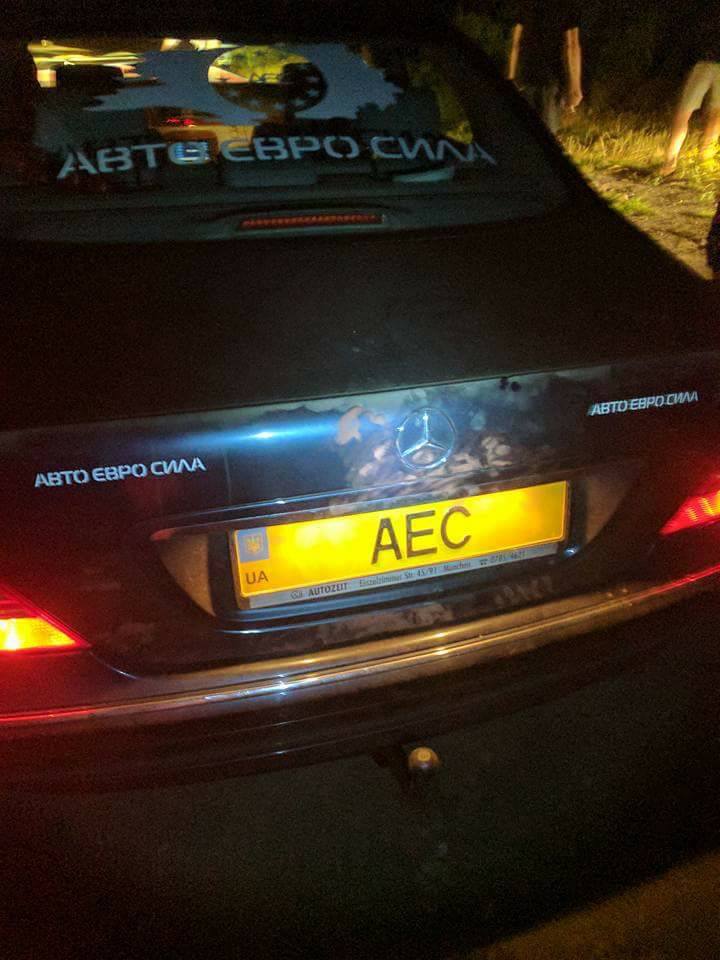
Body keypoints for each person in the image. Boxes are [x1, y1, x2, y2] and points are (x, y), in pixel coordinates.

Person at [506, 0, 583, 134]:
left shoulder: (525, 4)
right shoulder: (568, 5)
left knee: (524, 132)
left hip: (525, 78)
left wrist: (510, 78)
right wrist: (575, 86)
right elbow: (572, 46)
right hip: (551, 80)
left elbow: (515, 44)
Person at [661, 12, 720, 176]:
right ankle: (671, 160)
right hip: (704, 62)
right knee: (685, 111)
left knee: (714, 115)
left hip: (705, 61)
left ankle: (703, 158)